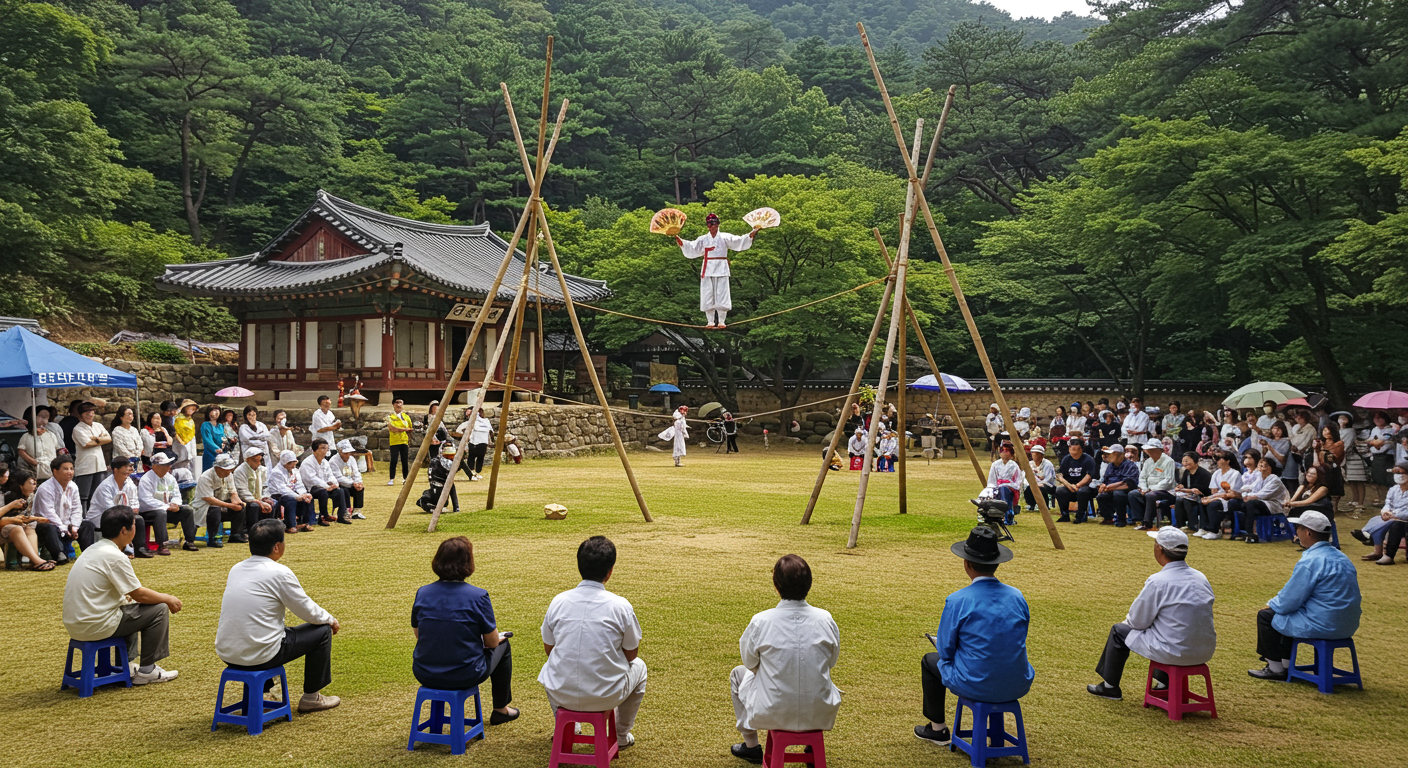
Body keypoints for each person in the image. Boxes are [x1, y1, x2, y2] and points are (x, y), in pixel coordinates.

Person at [914, 527, 1033, 747]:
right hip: (1018, 680)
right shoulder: (1017, 596)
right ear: (998, 563)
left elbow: (946, 651)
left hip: (976, 681)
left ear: (966, 563)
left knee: (930, 660)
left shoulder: (958, 600)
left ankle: (937, 729)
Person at [215, 518, 342, 713]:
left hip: (227, 653)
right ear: (277, 546)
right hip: (261, 654)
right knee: (322, 630)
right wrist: (330, 619)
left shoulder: (237, 568)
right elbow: (305, 609)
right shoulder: (279, 572)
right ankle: (312, 697)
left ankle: (264, 691)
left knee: (268, 629)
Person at [727, 555, 841, 763]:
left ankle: (751, 745)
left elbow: (749, 663)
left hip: (772, 708)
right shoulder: (826, 619)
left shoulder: (761, 621)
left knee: (738, 674)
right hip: (819, 708)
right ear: (809, 584)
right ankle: (810, 747)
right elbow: (831, 662)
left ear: (776, 585)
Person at [539, 536, 645, 750]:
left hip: (561, 693)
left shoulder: (559, 601)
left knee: (551, 666)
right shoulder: (620, 606)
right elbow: (631, 654)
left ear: (579, 566)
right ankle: (621, 734)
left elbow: (549, 649)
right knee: (640, 667)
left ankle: (569, 726)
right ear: (610, 571)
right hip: (605, 694)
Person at [1087, 526, 1215, 700]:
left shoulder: (1158, 581)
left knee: (1119, 631)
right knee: (1167, 627)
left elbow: (1137, 622)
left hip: (1173, 650)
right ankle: (1164, 684)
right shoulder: (1201, 577)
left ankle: (1110, 687)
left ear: (1159, 549)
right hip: (1204, 650)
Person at [64, 504, 184, 686]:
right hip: (95, 624)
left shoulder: (93, 549)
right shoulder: (115, 556)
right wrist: (168, 598)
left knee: (130, 608)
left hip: (76, 624)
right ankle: (148, 670)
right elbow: (140, 594)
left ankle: (126, 665)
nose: (136, 528)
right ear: (124, 530)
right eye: (134, 524)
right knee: (158, 609)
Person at [411, 536, 519, 723]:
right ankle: (500, 709)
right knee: (503, 644)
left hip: (424, 671)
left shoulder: (423, 592)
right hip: (465, 672)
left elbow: (419, 634)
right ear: (468, 563)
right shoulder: (478, 595)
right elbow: (492, 642)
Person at [1249, 510, 1361, 680]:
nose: (1296, 532)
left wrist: (1272, 604)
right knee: (1288, 614)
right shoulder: (1343, 558)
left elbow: (1290, 599)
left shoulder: (1311, 560)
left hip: (1323, 622)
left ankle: (1276, 668)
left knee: (1267, 616)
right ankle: (1287, 665)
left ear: (1308, 532)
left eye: (1298, 528)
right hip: (1347, 623)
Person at [676, 212, 758, 328]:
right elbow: (692, 247)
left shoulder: (725, 237)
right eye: (709, 224)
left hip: (721, 267)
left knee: (722, 293)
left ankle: (721, 321)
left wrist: (752, 233)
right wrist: (681, 241)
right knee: (707, 293)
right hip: (708, 267)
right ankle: (710, 321)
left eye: (714, 223)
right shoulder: (703, 239)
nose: (712, 226)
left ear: (718, 224)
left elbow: (739, 241)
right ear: (707, 226)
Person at [83, 457, 148, 556]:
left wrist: (134, 509)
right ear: (116, 470)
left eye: (129, 466)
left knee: (138, 519)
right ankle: (124, 549)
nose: (129, 469)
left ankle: (139, 549)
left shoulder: (130, 483)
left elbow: (134, 501)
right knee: (119, 521)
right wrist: (127, 513)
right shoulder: (106, 486)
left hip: (121, 514)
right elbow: (110, 509)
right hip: (101, 518)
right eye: (125, 467)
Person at [137, 452, 198, 552]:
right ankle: (162, 544)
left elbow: (176, 494)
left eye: (168, 464)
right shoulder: (146, 479)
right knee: (160, 513)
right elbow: (146, 500)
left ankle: (189, 541)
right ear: (155, 466)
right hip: (149, 512)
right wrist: (167, 507)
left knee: (187, 510)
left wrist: (175, 504)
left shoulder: (170, 478)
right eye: (164, 465)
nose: (168, 467)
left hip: (167, 509)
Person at [33, 455, 82, 564]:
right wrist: (64, 528)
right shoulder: (45, 488)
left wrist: (74, 526)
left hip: (67, 525)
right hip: (48, 524)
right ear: (55, 471)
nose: (70, 472)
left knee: (87, 525)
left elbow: (77, 509)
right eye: (66, 469)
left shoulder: (73, 486)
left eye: (71, 468)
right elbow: (48, 514)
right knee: (50, 527)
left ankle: (88, 553)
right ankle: (59, 554)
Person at [192, 454, 248, 548]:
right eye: (225, 469)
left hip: (222, 505)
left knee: (240, 508)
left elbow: (233, 493)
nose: (228, 471)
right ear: (217, 467)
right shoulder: (205, 477)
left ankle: (236, 534)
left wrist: (237, 502)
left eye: (229, 469)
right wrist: (230, 506)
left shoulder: (229, 475)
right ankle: (213, 538)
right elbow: (209, 499)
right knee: (215, 509)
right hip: (204, 508)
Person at [2, 469, 52, 570]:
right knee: (18, 528)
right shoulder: (8, 496)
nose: (34, 486)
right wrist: (12, 506)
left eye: (35, 483)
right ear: (21, 485)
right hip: (5, 525)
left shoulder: (32, 497)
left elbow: (27, 517)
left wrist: (35, 519)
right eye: (31, 483)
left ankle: (35, 561)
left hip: (22, 524)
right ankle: (37, 561)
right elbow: (6, 519)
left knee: (31, 527)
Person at [70, 402, 112, 512]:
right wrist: (100, 440)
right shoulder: (77, 429)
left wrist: (97, 439)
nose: (90, 414)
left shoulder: (99, 426)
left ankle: (95, 520)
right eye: (87, 412)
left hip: (100, 465)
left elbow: (109, 439)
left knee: (97, 495)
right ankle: (83, 519)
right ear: (81, 414)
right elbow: (87, 444)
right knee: (83, 496)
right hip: (85, 467)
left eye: (92, 411)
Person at [1241, 456, 1289, 544]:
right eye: (1260, 464)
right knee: (1242, 504)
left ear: (1270, 468)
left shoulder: (1275, 479)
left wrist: (1248, 496)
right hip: (1262, 503)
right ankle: (1247, 532)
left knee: (1250, 504)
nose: (1262, 466)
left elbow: (1263, 494)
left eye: (1265, 465)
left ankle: (1250, 533)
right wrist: (1239, 492)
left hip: (1273, 505)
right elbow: (1250, 488)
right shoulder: (1260, 477)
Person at [1197, 450, 1244, 540]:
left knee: (1213, 504)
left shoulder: (1235, 474)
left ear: (1227, 461)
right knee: (1201, 501)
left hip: (1231, 498)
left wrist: (1212, 499)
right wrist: (1211, 497)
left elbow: (1231, 493)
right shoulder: (1216, 473)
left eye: (1219, 459)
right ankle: (1204, 528)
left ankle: (1214, 531)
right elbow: (1214, 491)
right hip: (1219, 496)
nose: (1217, 461)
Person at [1130, 442, 1177, 531]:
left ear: (1159, 450)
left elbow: (1168, 480)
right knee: (1133, 494)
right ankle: (1139, 520)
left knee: (1150, 495)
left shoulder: (1169, 461)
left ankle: (1147, 523)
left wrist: (1151, 489)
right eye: (1149, 451)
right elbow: (1142, 477)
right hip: (1148, 489)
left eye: (1152, 451)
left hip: (1166, 491)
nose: (1150, 453)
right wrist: (1144, 488)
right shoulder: (1148, 462)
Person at [300, 439, 346, 526]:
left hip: (325, 487)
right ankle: (324, 516)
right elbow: (311, 479)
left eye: (326, 449)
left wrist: (333, 484)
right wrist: (326, 486)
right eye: (322, 448)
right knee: (322, 492)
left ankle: (341, 516)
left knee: (340, 491)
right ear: (314, 450)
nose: (325, 451)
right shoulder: (308, 462)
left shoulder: (325, 462)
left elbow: (330, 475)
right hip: (311, 489)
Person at [268, 450, 314, 532]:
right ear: (285, 463)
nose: (293, 466)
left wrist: (304, 494)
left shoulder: (295, 471)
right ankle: (290, 525)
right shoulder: (276, 472)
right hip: (279, 495)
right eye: (290, 463)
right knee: (291, 500)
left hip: (292, 492)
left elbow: (299, 484)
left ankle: (304, 523)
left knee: (307, 498)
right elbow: (282, 489)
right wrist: (297, 496)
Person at [1055, 439, 1099, 524]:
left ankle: (1081, 516)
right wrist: (1069, 486)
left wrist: (1078, 485)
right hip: (1070, 486)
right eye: (1071, 448)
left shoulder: (1088, 460)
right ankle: (1064, 515)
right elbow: (1060, 475)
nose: (1072, 451)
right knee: (1060, 491)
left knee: (1082, 492)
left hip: (1086, 487)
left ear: (1081, 449)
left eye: (1075, 449)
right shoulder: (1066, 459)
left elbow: (1089, 476)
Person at [1095, 445, 1140, 527]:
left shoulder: (1130, 466)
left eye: (1111, 454)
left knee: (1118, 494)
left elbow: (1130, 484)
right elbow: (1105, 479)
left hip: (1125, 490)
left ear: (1119, 455)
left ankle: (1121, 519)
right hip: (1110, 489)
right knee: (1101, 496)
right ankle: (1108, 518)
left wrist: (1114, 486)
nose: (1108, 456)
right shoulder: (1110, 466)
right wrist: (1103, 485)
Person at [18, 405, 63, 482]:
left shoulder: (51, 435)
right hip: (34, 472)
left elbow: (58, 450)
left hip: (50, 471)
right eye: (42, 416)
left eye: (46, 417)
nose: (44, 419)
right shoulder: (27, 436)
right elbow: (21, 451)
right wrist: (34, 462)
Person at [233, 447, 274, 525]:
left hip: (259, 498)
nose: (259, 463)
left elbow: (266, 486)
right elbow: (242, 491)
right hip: (246, 500)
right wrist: (257, 501)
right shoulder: (240, 471)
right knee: (254, 506)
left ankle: (268, 528)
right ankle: (252, 530)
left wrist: (265, 497)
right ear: (248, 460)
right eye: (256, 461)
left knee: (273, 502)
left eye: (260, 461)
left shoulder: (262, 470)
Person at [1172, 453, 1212, 533]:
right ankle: (1180, 525)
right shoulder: (1187, 472)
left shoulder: (1204, 474)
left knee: (1186, 501)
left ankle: (1193, 525)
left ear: (1195, 461)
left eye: (1187, 460)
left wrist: (1186, 490)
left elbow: (1202, 489)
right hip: (1190, 495)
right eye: (1183, 461)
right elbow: (1184, 484)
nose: (1185, 463)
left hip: (1203, 496)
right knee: (1179, 500)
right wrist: (1180, 486)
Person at [985, 443, 1023, 523]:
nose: (1004, 453)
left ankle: (1008, 516)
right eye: (1003, 450)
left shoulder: (1014, 466)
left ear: (1011, 454)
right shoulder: (995, 464)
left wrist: (1005, 485)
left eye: (1007, 451)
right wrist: (992, 487)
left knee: (1004, 490)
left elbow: (1017, 481)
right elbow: (992, 479)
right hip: (997, 486)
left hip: (1010, 488)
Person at [453, 406, 493, 481]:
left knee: (479, 458)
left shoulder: (485, 421)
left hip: (482, 442)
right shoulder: (468, 423)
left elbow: (490, 431)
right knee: (471, 458)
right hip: (473, 442)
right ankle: (471, 473)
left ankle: (476, 472)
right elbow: (459, 430)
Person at [329, 440, 365, 520]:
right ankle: (346, 511)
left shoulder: (351, 459)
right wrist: (353, 483)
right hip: (339, 484)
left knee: (360, 489)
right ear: (340, 451)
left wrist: (358, 482)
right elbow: (338, 477)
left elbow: (356, 472)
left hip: (352, 482)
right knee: (344, 490)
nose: (348, 455)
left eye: (349, 453)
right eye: (345, 453)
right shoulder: (333, 461)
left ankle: (357, 511)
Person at [1314, 425, 1345, 511]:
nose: (1327, 433)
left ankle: (1334, 508)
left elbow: (1334, 456)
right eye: (1325, 430)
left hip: (1333, 469)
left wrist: (1322, 452)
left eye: (1329, 431)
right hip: (1322, 469)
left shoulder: (1339, 443)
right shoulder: (1321, 443)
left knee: (1335, 488)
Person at [1022, 444, 1056, 513]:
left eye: (1037, 454)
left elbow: (1048, 478)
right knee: (1028, 489)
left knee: (1041, 489)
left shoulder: (1047, 464)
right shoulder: (1030, 464)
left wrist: (1040, 484)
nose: (1035, 456)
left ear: (1042, 455)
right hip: (1033, 484)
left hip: (1047, 485)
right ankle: (1031, 504)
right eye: (1033, 454)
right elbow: (1024, 476)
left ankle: (1045, 505)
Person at [387, 399, 413, 486]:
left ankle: (406, 478)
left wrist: (408, 436)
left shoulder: (406, 417)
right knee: (394, 460)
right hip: (394, 442)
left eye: (401, 403)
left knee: (404, 460)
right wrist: (404, 429)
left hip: (404, 441)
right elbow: (392, 429)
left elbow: (410, 429)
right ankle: (391, 478)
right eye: (397, 403)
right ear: (393, 405)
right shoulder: (390, 417)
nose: (399, 405)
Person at [172, 399, 199, 473]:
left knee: (191, 465)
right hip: (179, 444)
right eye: (190, 408)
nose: (192, 410)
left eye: (194, 409)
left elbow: (192, 433)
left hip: (190, 442)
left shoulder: (190, 420)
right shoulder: (177, 419)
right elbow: (174, 431)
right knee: (180, 465)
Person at [198, 405, 224, 473]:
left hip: (221, 453)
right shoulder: (205, 425)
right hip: (210, 453)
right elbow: (207, 440)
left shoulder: (220, 426)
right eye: (213, 410)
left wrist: (224, 444)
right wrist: (216, 449)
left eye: (217, 410)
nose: (216, 412)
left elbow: (224, 437)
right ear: (208, 413)